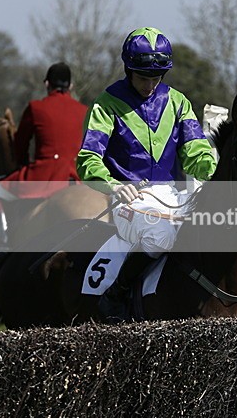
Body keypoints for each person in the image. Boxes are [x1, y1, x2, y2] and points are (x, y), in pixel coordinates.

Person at [77, 27, 217, 320]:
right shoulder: (107, 103)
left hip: (173, 197)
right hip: (129, 198)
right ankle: (115, 295)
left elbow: (196, 153)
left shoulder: (178, 102)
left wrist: (217, 168)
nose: (150, 84)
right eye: (143, 77)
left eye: (156, 77)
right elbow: (88, 159)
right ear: (128, 69)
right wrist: (113, 185)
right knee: (161, 235)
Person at [0, 62, 88, 246]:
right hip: (75, 176)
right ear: (71, 86)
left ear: (46, 84)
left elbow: (20, 144)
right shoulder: (83, 110)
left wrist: (22, 164)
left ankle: (1, 244)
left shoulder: (36, 108)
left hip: (44, 174)